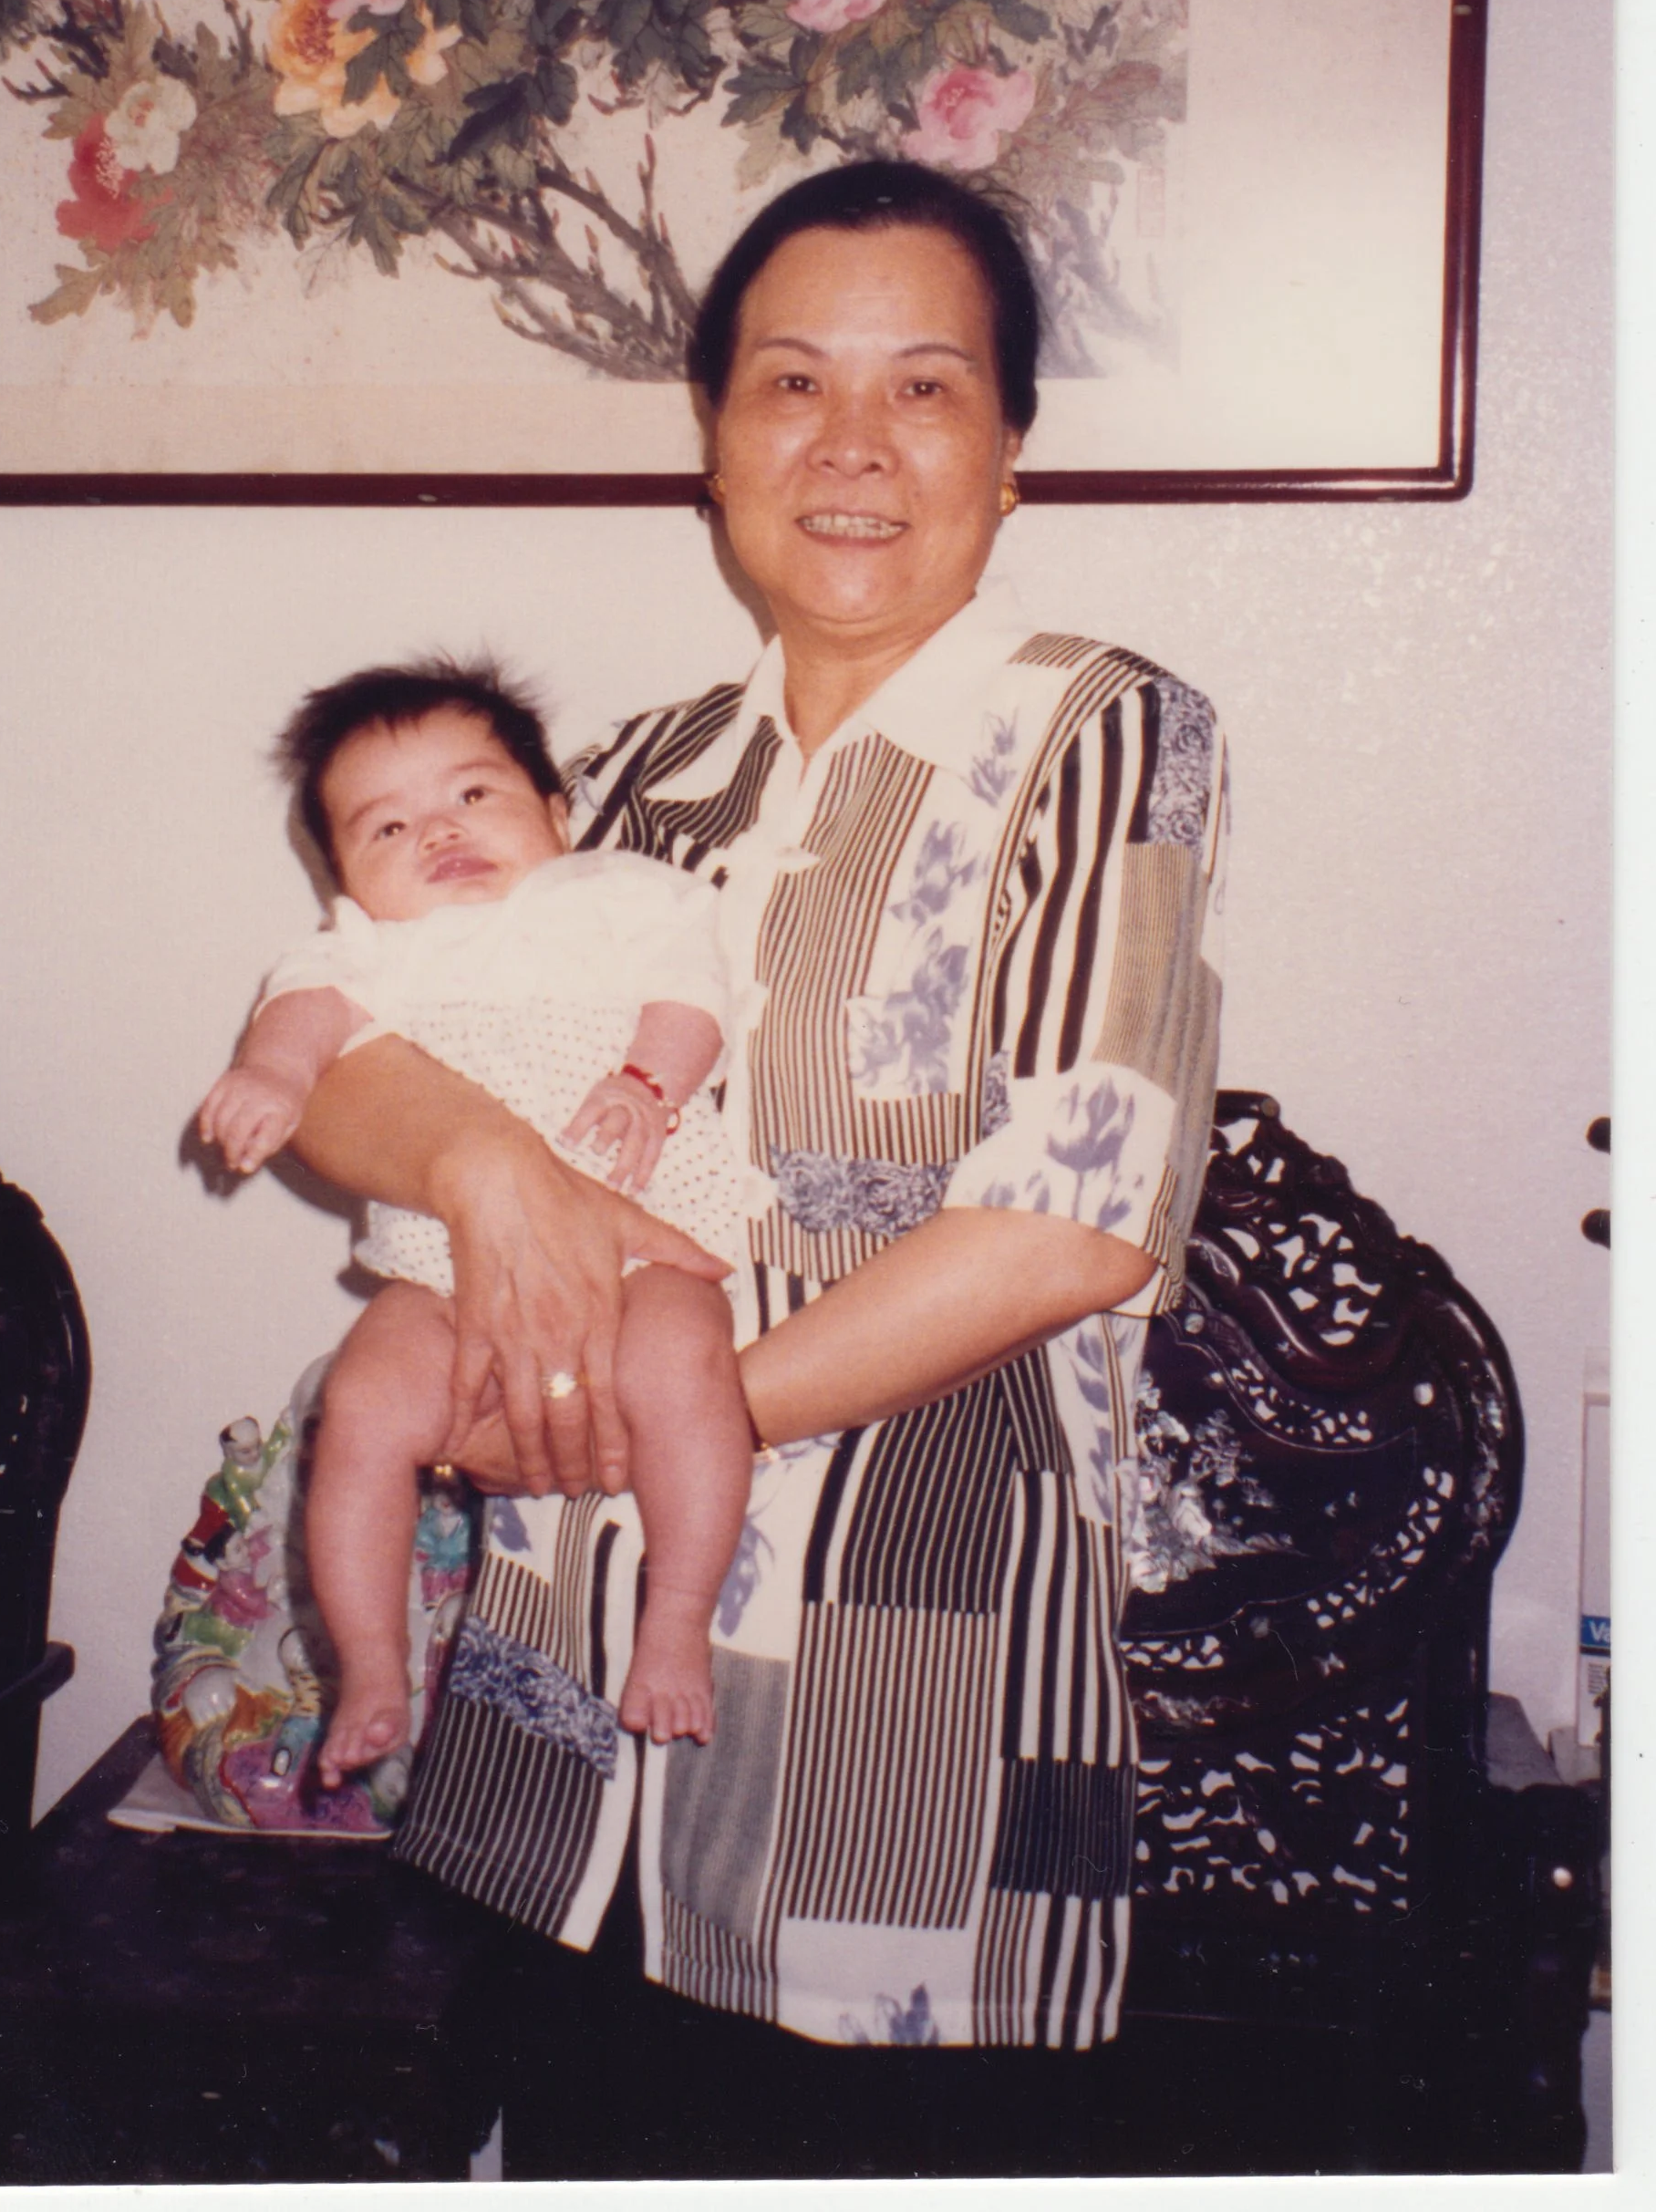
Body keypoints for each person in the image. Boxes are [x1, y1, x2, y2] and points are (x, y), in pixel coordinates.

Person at [285, 160, 1229, 2148]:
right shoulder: (609, 775)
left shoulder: (1100, 735)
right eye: (789, 384)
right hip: (553, 1710)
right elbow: (340, 1057)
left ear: (1012, 446)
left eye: (926, 386)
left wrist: (654, 1422)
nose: (852, 445)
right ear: (712, 440)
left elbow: (1067, 1220)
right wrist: (487, 1170)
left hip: (898, 1695)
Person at [195, 661, 751, 1774]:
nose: (438, 833)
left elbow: (692, 997)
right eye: (388, 826)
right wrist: (270, 1075)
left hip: (642, 1232)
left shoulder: (620, 895)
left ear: (557, 810)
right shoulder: (365, 950)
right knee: (358, 1410)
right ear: (345, 879)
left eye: (474, 795)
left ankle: (677, 1617)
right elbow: (303, 1021)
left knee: (687, 1375)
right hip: (437, 1273)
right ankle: (368, 1662)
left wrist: (647, 1082)